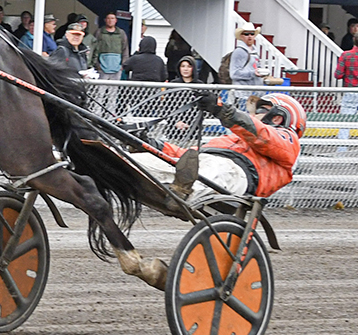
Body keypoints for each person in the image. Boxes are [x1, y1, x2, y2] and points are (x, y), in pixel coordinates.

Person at [134, 93, 305, 202]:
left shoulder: (287, 140)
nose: (252, 114)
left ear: (277, 118)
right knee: (134, 161)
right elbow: (185, 155)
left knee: (215, 167)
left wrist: (222, 110)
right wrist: (149, 144)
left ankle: (181, 191)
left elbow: (264, 136)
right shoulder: (232, 138)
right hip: (206, 163)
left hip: (237, 172)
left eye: (259, 109)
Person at [334, 36, 358, 150]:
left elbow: (338, 74)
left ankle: (341, 152)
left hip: (350, 91)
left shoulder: (346, 55)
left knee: (345, 123)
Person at [90, 11, 129, 80]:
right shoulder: (99, 32)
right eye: (108, 18)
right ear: (105, 20)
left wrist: (123, 65)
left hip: (117, 68)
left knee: (114, 89)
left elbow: (125, 49)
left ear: (116, 20)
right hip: (102, 68)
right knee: (101, 89)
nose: (110, 20)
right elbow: (93, 48)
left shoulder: (121, 33)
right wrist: (97, 65)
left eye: (112, 18)